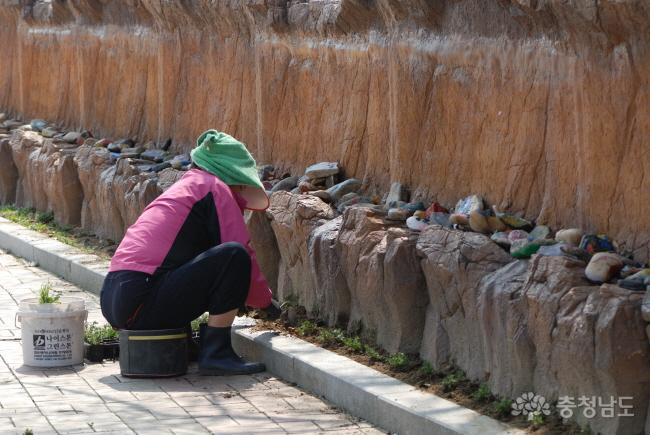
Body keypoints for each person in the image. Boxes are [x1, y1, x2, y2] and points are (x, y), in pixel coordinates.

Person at [100, 130, 273, 375]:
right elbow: (240, 249)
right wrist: (265, 302)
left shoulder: (187, 188)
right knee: (234, 256)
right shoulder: (214, 188)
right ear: (232, 174)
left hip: (115, 297)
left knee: (190, 261)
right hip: (141, 298)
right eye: (242, 182)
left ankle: (188, 344)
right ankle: (216, 353)